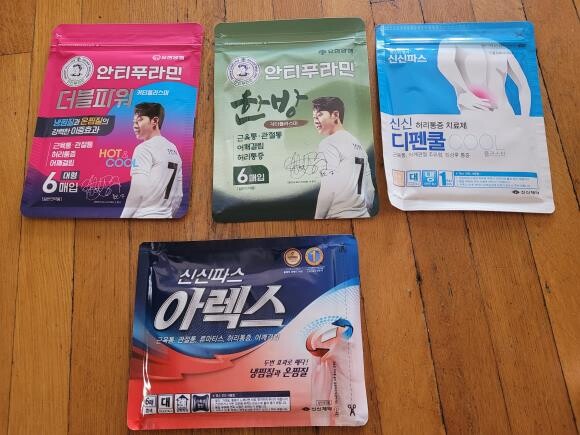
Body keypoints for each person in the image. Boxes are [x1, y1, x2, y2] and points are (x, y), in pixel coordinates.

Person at [312, 97, 375, 219]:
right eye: (314, 117)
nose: (315, 121)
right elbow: (370, 190)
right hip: (363, 216)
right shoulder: (357, 144)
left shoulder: (328, 143)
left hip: (338, 217)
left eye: (319, 115)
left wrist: (317, 220)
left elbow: (328, 189)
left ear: (335, 115)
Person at [121, 102, 183, 218]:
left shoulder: (144, 148)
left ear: (154, 121)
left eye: (139, 120)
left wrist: (122, 220)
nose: (134, 126)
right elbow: (178, 196)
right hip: (165, 219)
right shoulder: (173, 149)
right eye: (134, 122)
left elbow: (137, 192)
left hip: (142, 218)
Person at [437, 39, 531, 116]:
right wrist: (525, 119)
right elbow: (524, 86)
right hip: (503, 115)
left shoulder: (452, 44)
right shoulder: (503, 50)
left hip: (477, 115)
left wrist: (464, 94)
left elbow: (443, 65)